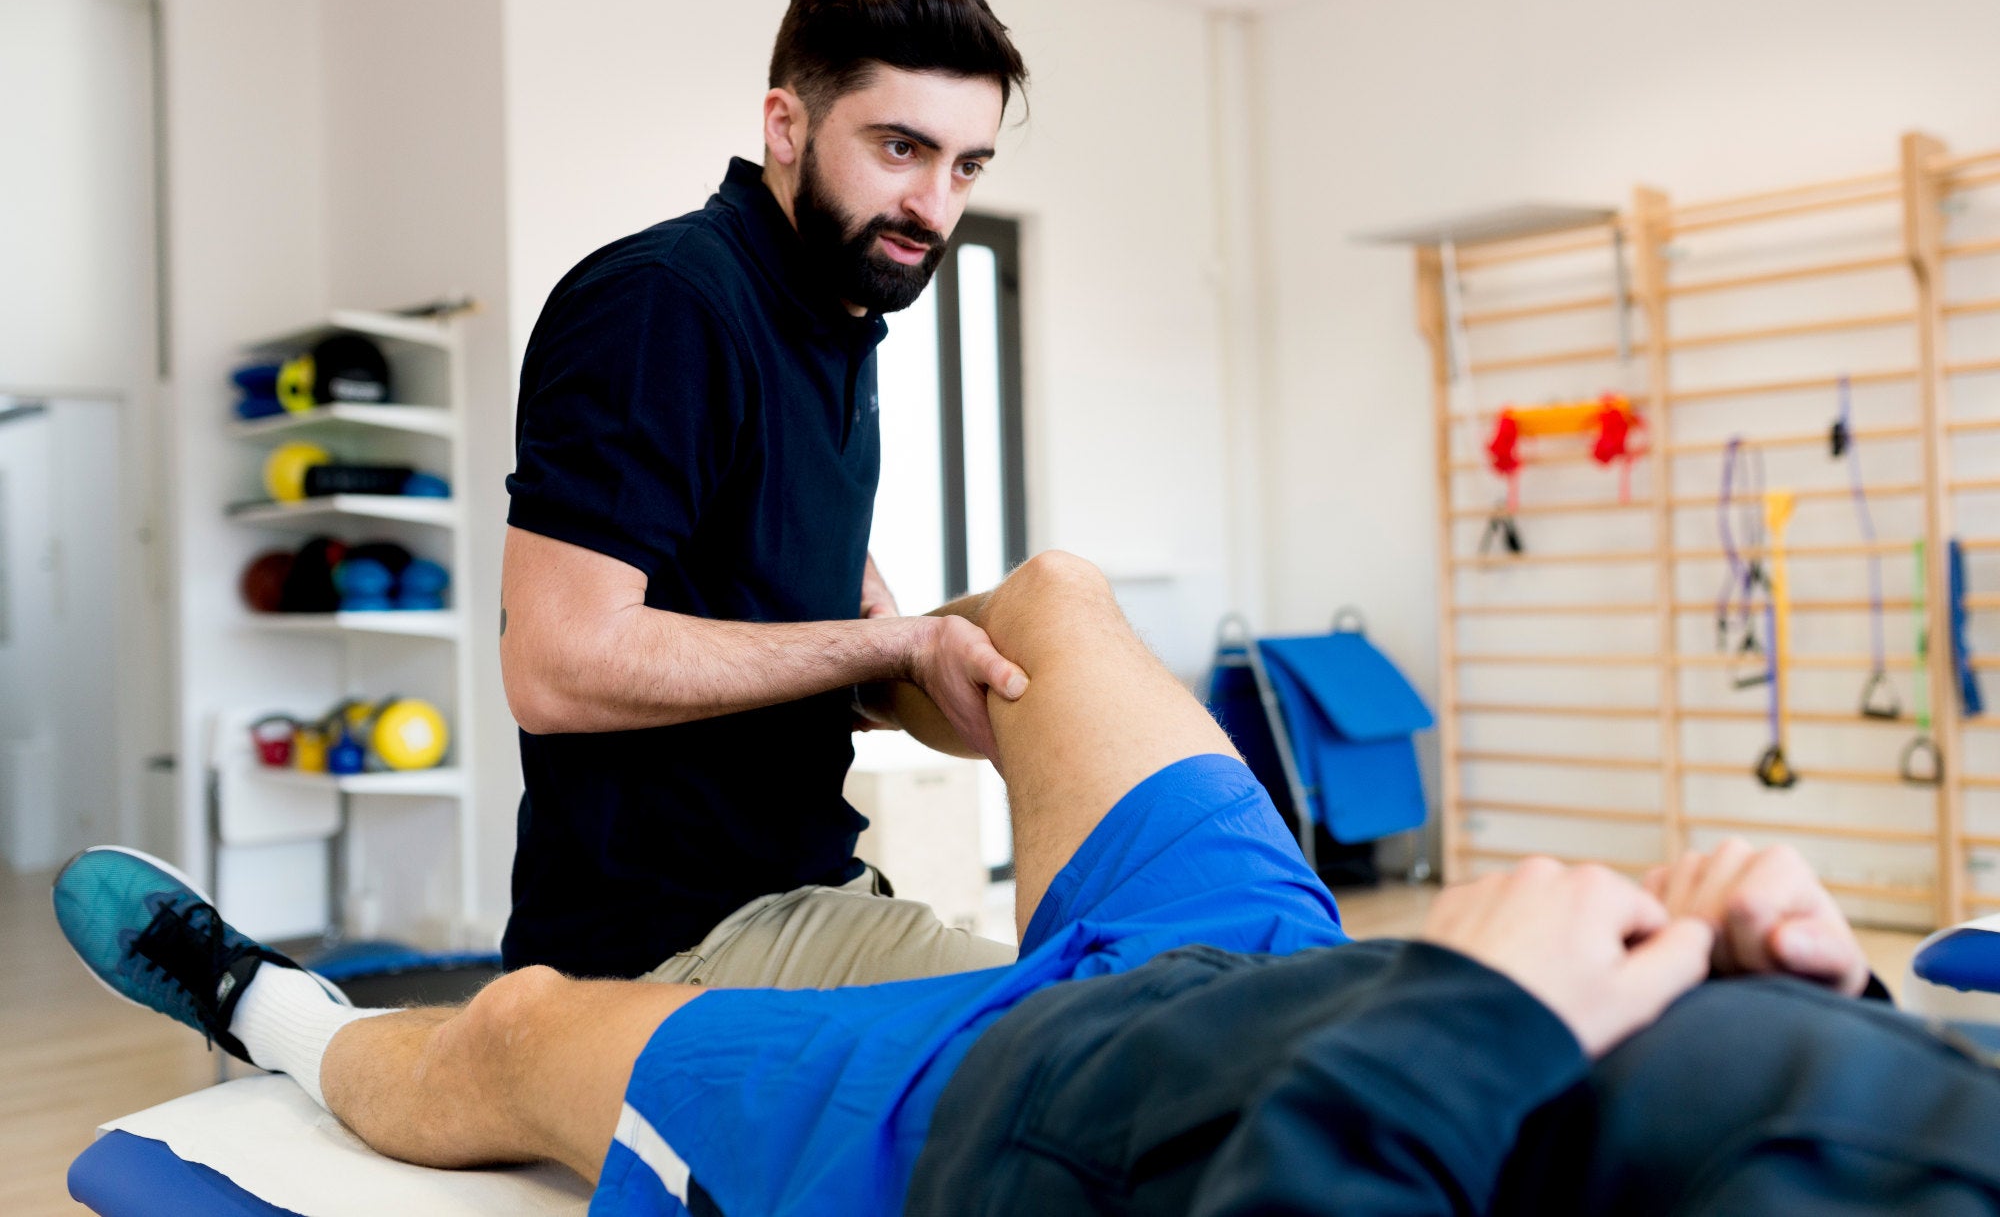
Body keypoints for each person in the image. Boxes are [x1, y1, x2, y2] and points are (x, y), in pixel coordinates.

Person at [55, 551, 2000, 1216]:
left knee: (517, 1024)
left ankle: (267, 1009)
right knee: (1054, 606)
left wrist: (1465, 1015)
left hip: (1013, 1128)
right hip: (1260, 963)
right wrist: (1814, 982)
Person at [497, 0, 1033, 985]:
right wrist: (889, 649)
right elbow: (554, 666)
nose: (933, 204)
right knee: (1091, 1041)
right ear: (785, 126)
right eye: (898, 148)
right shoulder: (666, 304)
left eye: (964, 166)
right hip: (665, 944)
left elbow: (800, 640)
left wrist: (953, 679)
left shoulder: (833, 328)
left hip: (810, 886)